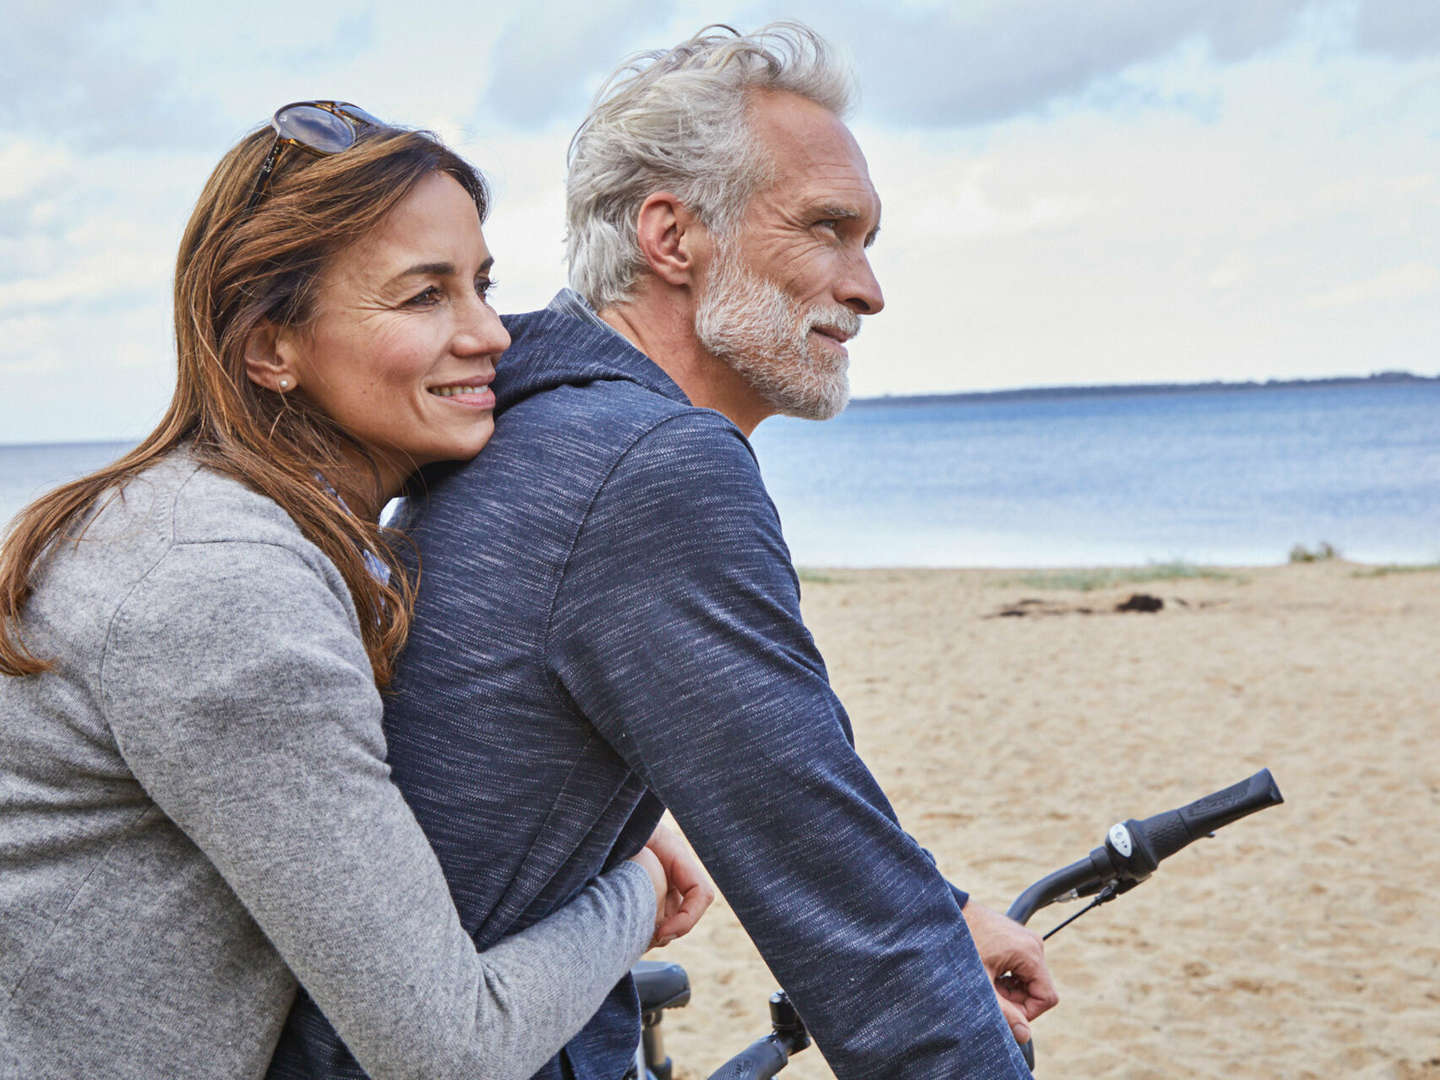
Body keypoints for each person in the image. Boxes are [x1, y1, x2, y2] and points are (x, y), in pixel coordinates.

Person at [279, 24, 1059, 1080]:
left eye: (867, 240)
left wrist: (948, 909)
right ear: (671, 236)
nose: (867, 288)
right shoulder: (650, 465)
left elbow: (786, 782)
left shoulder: (531, 425)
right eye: (828, 229)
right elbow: (832, 889)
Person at [0, 101, 711, 1080]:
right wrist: (632, 889)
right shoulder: (224, 594)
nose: (491, 333)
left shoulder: (182, 519)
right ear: (271, 349)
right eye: (424, 297)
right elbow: (449, 1048)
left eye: (482, 285)